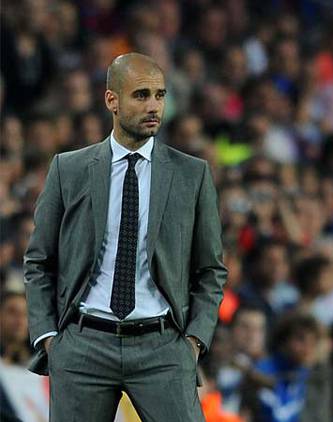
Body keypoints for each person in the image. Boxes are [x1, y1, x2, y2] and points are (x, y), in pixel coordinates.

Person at [23, 53, 228, 421]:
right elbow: (39, 260)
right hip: (82, 344)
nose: (154, 106)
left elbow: (211, 268)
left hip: (163, 346)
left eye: (160, 95)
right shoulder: (68, 169)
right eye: (141, 95)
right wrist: (48, 336)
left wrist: (195, 339)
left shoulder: (192, 174)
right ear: (111, 100)